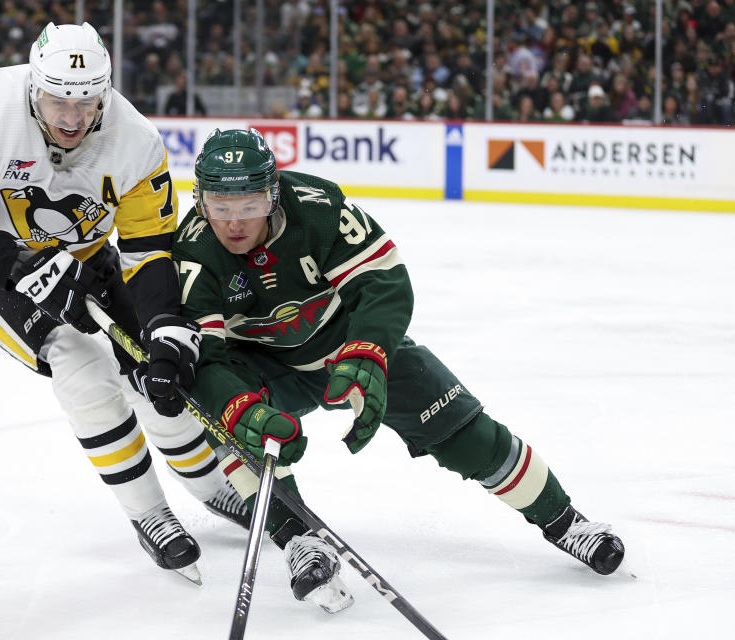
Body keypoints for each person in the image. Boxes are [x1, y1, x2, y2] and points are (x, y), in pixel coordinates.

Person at [172, 128, 627, 606]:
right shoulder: (195, 251)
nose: (234, 223)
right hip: (266, 364)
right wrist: (237, 405)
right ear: (201, 201)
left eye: (250, 205)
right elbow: (208, 356)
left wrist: (368, 349)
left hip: (347, 342)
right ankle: (299, 541)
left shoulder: (319, 207)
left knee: (463, 432)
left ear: (274, 193)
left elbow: (383, 281)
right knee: (238, 427)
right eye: (220, 207)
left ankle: (565, 521)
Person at [0, 22, 251, 585]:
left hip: (85, 255)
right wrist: (26, 267)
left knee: (152, 365)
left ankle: (211, 485)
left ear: (106, 91)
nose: (72, 118)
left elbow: (147, 250)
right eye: (57, 101)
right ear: (32, 92)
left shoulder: (137, 141)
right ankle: (149, 513)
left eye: (87, 102)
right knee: (78, 359)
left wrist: (165, 323)